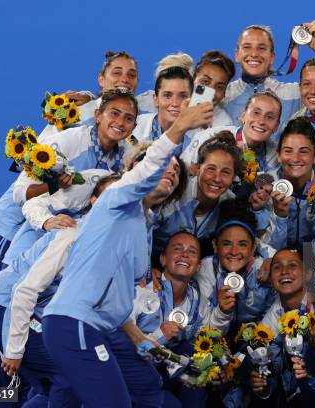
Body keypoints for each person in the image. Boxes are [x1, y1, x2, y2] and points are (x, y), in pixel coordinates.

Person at [41, 100, 212, 407]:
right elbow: (148, 167)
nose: (169, 173)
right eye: (163, 167)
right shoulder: (116, 199)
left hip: (100, 328)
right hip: (75, 322)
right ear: (137, 173)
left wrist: (146, 343)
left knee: (138, 388)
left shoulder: (144, 226)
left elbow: (117, 296)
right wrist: (181, 126)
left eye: (175, 173)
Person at [0, 174, 120, 407]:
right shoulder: (72, 233)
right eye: (109, 197)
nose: (116, 203)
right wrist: (14, 350)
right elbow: (24, 292)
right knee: (67, 372)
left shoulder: (113, 240)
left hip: (23, 311)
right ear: (93, 201)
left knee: (45, 384)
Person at [1, 90, 140, 266]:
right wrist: (53, 185)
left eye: (128, 118)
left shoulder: (127, 157)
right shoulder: (66, 142)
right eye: (114, 113)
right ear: (97, 115)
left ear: (134, 127)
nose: (120, 122)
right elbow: (19, 194)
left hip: (74, 252)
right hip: (34, 241)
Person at [121, 231, 232, 408]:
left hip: (170, 373)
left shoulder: (195, 298)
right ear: (163, 259)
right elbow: (121, 343)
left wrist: (217, 366)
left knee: (199, 359)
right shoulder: (142, 289)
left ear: (198, 267)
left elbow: (207, 334)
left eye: (192, 252)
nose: (185, 255)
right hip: (134, 373)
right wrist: (161, 335)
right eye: (177, 249)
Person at [222, 22, 315, 142]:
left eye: (261, 48)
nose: (254, 54)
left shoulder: (295, 94)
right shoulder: (224, 96)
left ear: (272, 57)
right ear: (237, 54)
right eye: (247, 47)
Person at [252, 248, 315, 407]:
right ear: (271, 278)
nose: (284, 271)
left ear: (307, 274)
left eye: (292, 265)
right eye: (277, 267)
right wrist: (260, 381)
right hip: (301, 389)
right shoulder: (275, 313)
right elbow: (259, 349)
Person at [153, 131, 240, 258]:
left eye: (226, 172)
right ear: (197, 168)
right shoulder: (174, 190)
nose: (217, 178)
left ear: (233, 177)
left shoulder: (232, 206)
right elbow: (141, 230)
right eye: (210, 169)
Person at [196, 199, 277, 330]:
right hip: (216, 337)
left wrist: (275, 260)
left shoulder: (263, 268)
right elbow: (204, 331)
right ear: (215, 246)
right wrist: (223, 311)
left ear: (253, 248)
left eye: (242, 244)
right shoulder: (205, 270)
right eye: (226, 244)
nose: (234, 252)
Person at [260, 117, 315, 250]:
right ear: (278, 155)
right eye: (288, 151)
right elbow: (266, 249)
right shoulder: (266, 185)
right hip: (279, 261)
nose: (295, 158)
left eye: (303, 151)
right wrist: (280, 215)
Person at [39, 50, 141, 139]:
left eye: (132, 75)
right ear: (101, 79)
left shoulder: (144, 108)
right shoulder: (75, 115)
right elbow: (42, 148)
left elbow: (134, 144)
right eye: (117, 73)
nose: (125, 79)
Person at [181, 89, 282, 174]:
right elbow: (181, 173)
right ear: (243, 116)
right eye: (256, 113)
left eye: (269, 117)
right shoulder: (209, 137)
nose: (261, 121)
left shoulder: (275, 155)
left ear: (276, 126)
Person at [137, 51, 236, 127]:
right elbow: (128, 136)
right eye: (205, 82)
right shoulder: (144, 103)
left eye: (219, 87)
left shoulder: (223, 124)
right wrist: (137, 145)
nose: (210, 91)